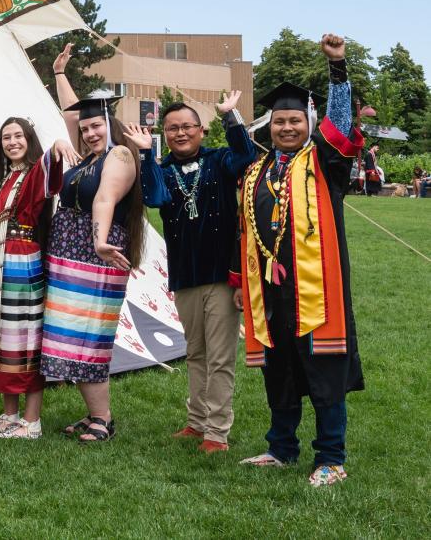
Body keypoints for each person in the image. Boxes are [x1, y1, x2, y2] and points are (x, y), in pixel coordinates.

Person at [237, 33, 364, 486]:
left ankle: (331, 457)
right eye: (279, 122)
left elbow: (342, 123)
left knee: (324, 370)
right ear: (269, 126)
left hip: (318, 288)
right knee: (281, 370)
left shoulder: (325, 162)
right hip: (272, 289)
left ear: (308, 123)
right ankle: (281, 448)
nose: (286, 128)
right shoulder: (258, 170)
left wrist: (337, 68)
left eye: (294, 121)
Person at [122, 91, 255, 455]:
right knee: (195, 352)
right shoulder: (161, 170)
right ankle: (197, 422)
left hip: (221, 273)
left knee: (220, 356)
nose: (180, 133)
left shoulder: (220, 160)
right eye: (171, 129)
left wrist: (231, 116)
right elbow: (154, 198)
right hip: (184, 274)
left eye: (186, 127)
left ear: (201, 129)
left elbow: (247, 156)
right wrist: (146, 152)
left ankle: (217, 431)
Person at [0, 60, 77, 440]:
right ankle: (10, 414)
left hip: (22, 261)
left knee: (23, 337)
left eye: (18, 136)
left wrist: (56, 144)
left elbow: (52, 163)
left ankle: (32, 421)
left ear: (29, 140)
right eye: (7, 137)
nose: (12, 142)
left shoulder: (36, 171)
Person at [44, 44, 146, 444]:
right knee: (71, 334)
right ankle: (92, 414)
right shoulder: (87, 157)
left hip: (94, 253)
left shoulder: (119, 155)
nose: (88, 132)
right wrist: (59, 75)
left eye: (95, 126)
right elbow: (73, 113)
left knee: (87, 335)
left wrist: (100, 240)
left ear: (110, 124)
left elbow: (104, 198)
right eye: (85, 129)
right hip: (71, 252)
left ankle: (103, 418)